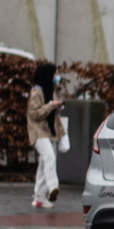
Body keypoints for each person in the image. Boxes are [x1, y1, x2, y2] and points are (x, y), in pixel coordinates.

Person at [27, 61, 65, 208]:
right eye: (54, 74)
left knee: (44, 162)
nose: (56, 76)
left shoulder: (50, 89)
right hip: (37, 131)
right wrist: (51, 105)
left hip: (47, 131)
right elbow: (34, 114)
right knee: (49, 156)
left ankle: (39, 197)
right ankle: (52, 187)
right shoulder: (37, 92)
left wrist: (57, 106)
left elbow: (51, 110)